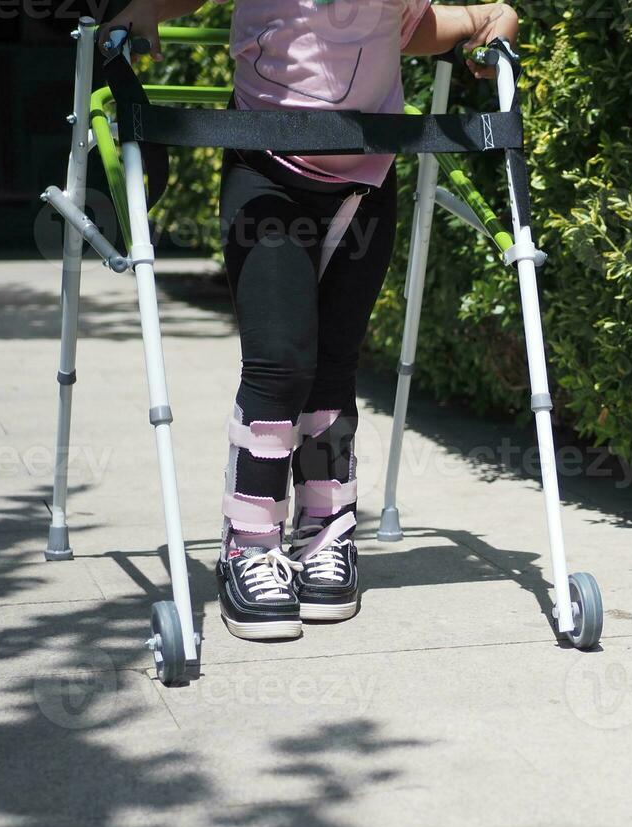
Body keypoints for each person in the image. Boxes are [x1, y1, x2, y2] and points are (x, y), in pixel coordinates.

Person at [100, 0, 518, 639]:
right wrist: (149, 10)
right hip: (266, 172)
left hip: (365, 182)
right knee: (281, 362)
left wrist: (483, 19)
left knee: (333, 366)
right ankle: (249, 543)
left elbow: (412, 27)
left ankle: (326, 535)